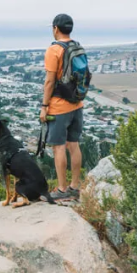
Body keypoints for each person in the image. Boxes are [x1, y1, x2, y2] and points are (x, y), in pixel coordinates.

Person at [40, 14, 83, 200]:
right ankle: (75, 186)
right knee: (73, 145)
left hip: (59, 106)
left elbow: (50, 81)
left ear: (55, 28)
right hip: (77, 103)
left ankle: (62, 190)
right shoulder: (78, 46)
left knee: (58, 148)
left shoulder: (54, 50)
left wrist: (44, 106)